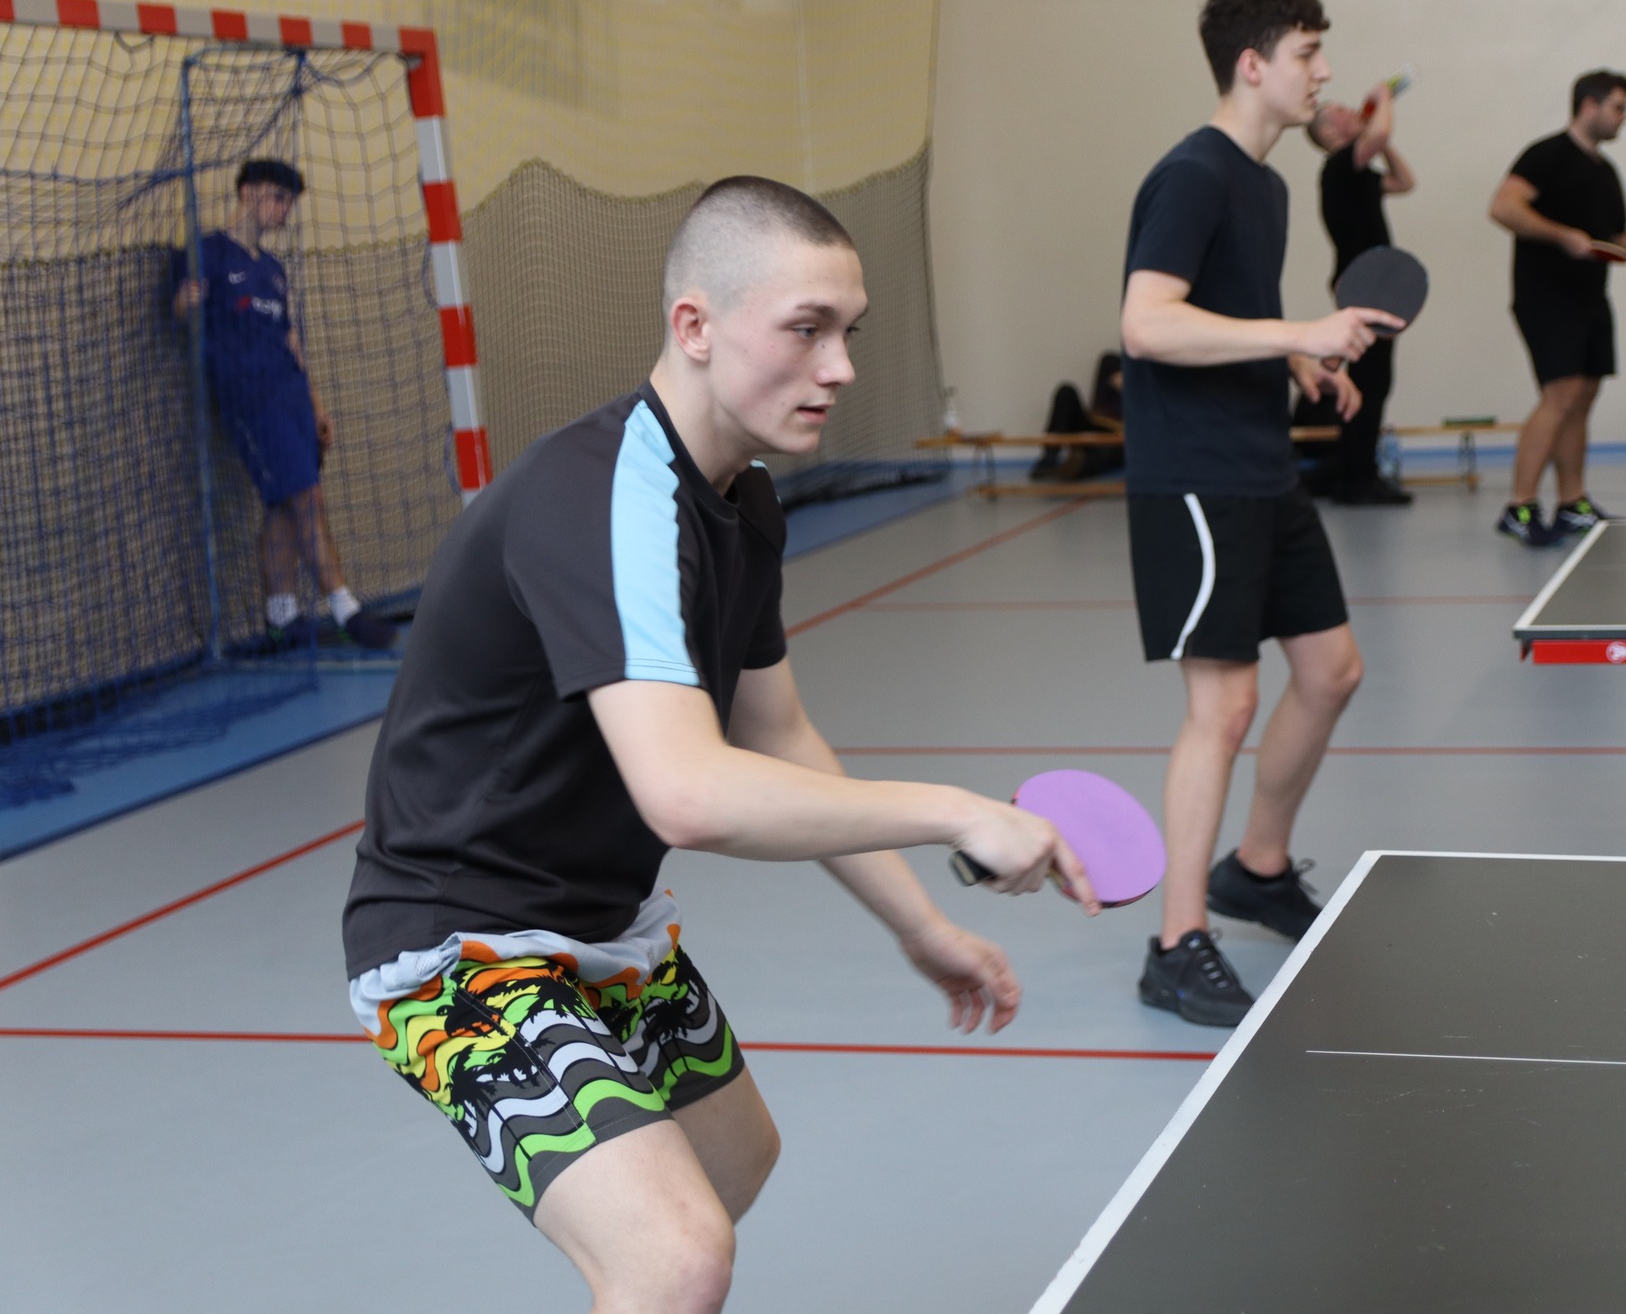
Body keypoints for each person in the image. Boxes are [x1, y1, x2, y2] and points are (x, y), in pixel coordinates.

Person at [341, 176, 1095, 1313]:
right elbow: (685, 794)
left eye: (849, 333)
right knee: (675, 1255)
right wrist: (956, 810)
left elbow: (777, 734)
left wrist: (921, 924)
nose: (840, 368)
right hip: (459, 944)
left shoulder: (742, 501)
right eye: (806, 329)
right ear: (694, 325)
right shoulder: (603, 495)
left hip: (603, 924)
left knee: (732, 1165)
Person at [1119, 0, 1400, 1027]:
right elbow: (1147, 323)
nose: (1323, 73)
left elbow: (1226, 307)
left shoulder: (1266, 185)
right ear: (1253, 64)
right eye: (1307, 53)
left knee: (1331, 670)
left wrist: (1297, 364)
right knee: (1224, 705)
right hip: (1193, 477)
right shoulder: (1192, 174)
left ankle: (1258, 867)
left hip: (1260, 463)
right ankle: (1175, 943)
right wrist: (1298, 332)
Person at [173, 158, 397, 648]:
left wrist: (316, 406)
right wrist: (186, 303)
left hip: (291, 398)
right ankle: (347, 610)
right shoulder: (209, 252)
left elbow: (290, 342)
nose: (283, 210)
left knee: (283, 503)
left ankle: (282, 616)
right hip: (250, 402)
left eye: (289, 203)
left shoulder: (273, 271)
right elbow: (182, 313)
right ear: (248, 192)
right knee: (306, 498)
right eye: (278, 198)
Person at [1488, 70, 1626, 546]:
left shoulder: (1605, 172)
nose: (1624, 118)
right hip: (1546, 297)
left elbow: (1616, 240)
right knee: (1560, 396)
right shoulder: (1546, 155)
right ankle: (1519, 507)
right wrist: (1560, 235)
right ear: (1590, 105)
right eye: (1618, 107)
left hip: (1590, 297)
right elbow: (1504, 207)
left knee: (1582, 397)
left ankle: (1573, 504)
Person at [1299, 87, 1418, 506]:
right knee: (1370, 381)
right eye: (1341, 112)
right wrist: (1384, 99)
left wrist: (1380, 139)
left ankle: (1354, 469)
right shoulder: (1338, 166)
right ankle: (1358, 478)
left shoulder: (1358, 174)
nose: (1353, 111)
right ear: (1330, 132)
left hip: (1377, 286)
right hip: (1363, 287)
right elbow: (1379, 134)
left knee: (1374, 380)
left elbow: (1404, 182)